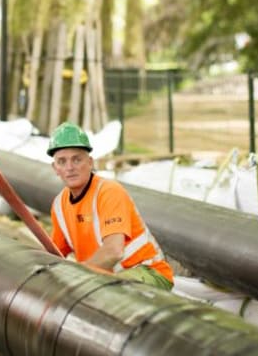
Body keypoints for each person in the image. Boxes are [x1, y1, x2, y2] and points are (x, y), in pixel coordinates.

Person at [46, 121, 174, 290]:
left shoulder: (108, 192)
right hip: (102, 277)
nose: (69, 167)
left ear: (90, 162)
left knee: (108, 292)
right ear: (55, 168)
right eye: (62, 161)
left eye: (76, 159)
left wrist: (78, 275)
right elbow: (53, 254)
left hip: (147, 273)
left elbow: (114, 251)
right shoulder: (59, 205)